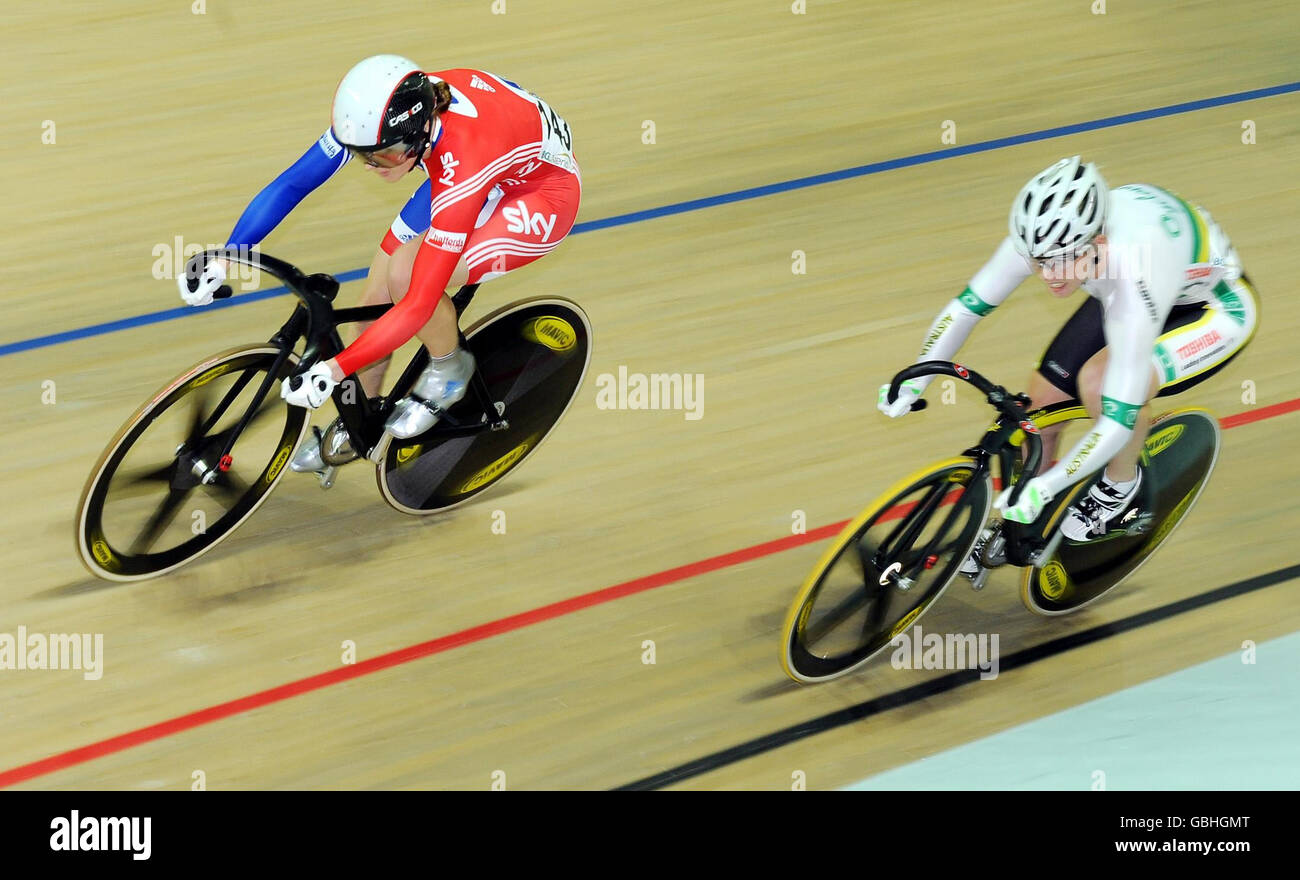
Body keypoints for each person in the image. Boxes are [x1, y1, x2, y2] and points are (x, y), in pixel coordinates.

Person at [179, 55, 581, 474]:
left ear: (420, 133)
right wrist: (227, 255)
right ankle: (359, 426)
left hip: (539, 196)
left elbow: (420, 301)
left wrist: (335, 370)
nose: (371, 167)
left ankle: (450, 368)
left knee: (405, 274)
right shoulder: (376, 117)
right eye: (362, 156)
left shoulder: (462, 160)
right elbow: (295, 182)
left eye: (384, 157)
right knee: (375, 294)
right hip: (484, 159)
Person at [877, 156, 1257, 574]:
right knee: (1037, 411)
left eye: (1060, 261)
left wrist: (1050, 485)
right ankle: (1020, 528)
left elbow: (1116, 417)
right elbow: (967, 308)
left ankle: (1121, 488)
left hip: (1214, 308)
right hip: (1122, 281)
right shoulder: (1046, 240)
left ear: (1097, 242)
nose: (1048, 275)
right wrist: (920, 376)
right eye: (1039, 262)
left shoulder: (1134, 271)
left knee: (1099, 384)